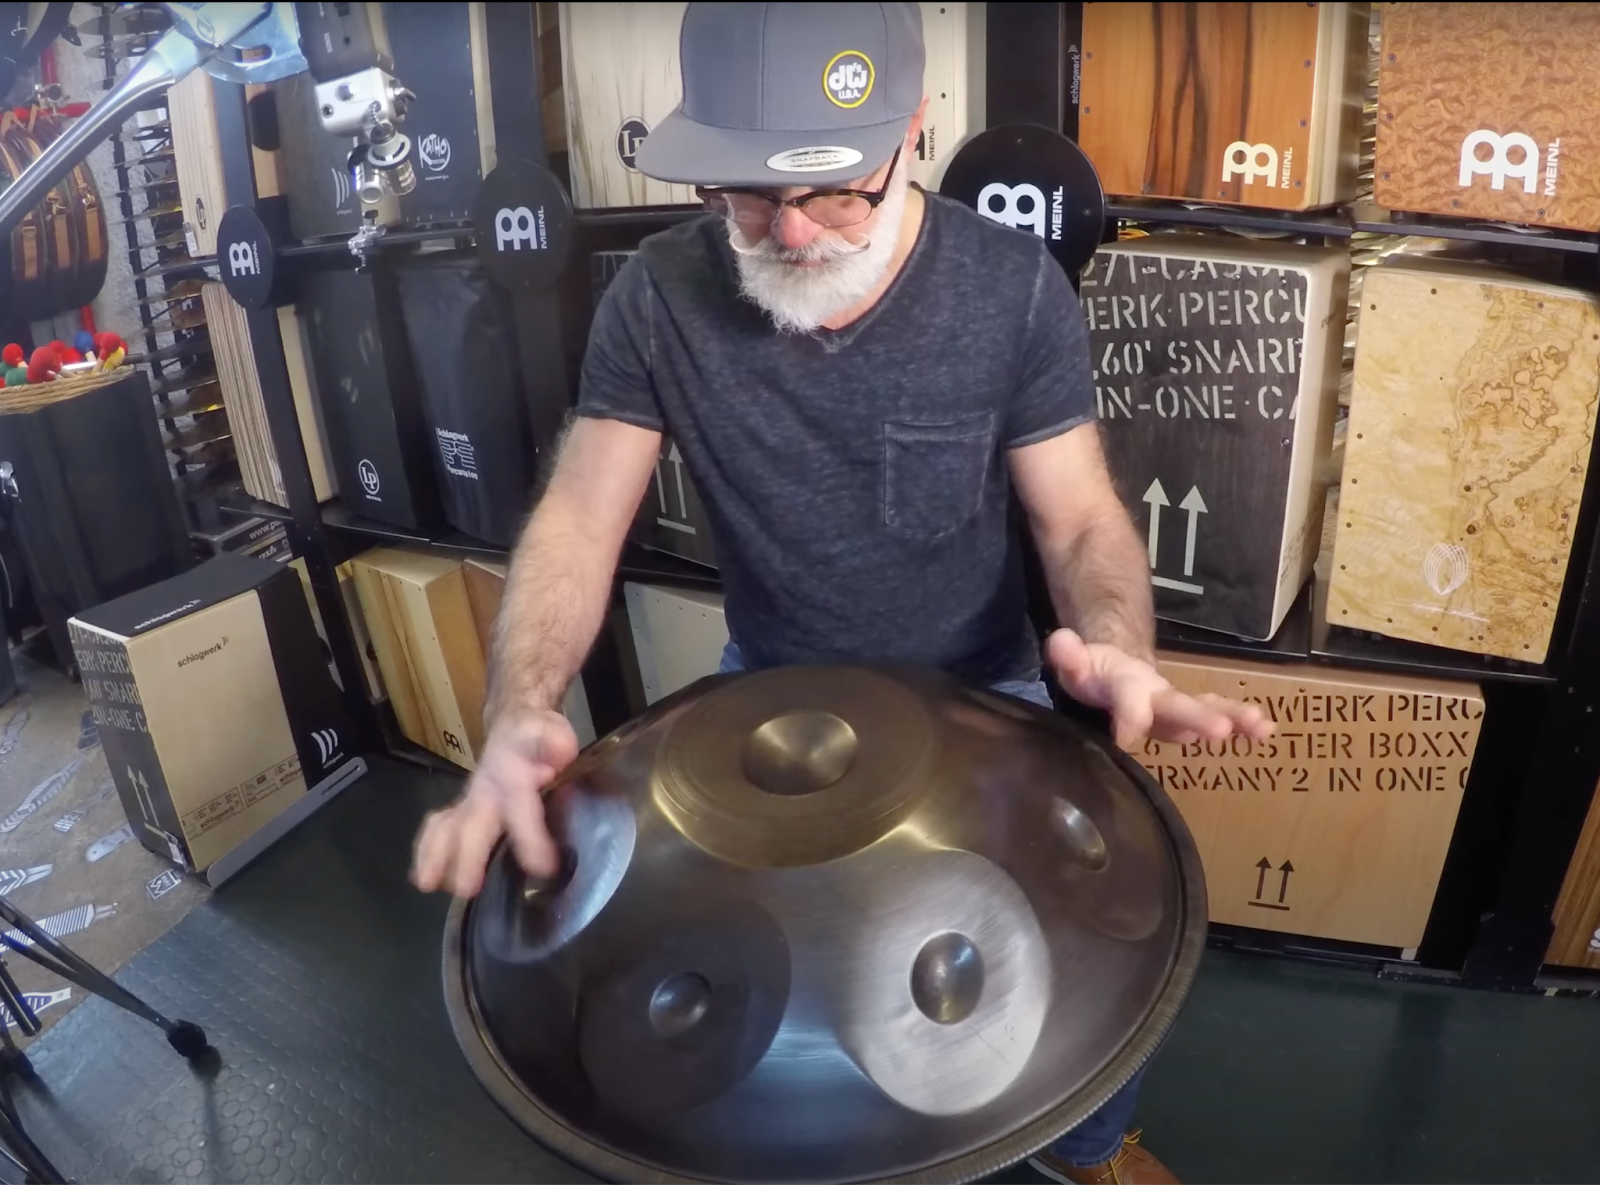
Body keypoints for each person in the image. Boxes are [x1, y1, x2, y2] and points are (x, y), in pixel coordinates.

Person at [413, 4, 1272, 1183]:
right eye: (751, 196)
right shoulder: (659, 295)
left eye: (835, 194)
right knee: (747, 1017)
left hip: (988, 687)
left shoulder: (1009, 285)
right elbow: (578, 515)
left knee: (1084, 943)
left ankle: (1087, 1155)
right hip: (763, 697)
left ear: (910, 134)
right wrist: (522, 703)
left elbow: (1075, 517)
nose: (797, 232)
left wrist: (1115, 640)